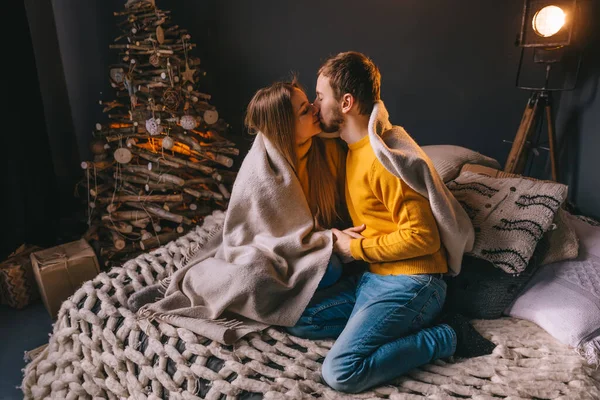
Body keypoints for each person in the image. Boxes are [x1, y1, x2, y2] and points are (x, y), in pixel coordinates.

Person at [287, 51, 495, 393]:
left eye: (321, 97)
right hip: (375, 278)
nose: (315, 104)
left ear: (347, 103)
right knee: (297, 319)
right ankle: (389, 324)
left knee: (340, 372)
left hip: (413, 283)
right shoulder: (351, 150)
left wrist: (354, 249)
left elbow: (423, 238)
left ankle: (448, 335)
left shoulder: (382, 160)